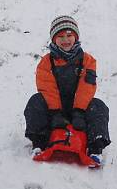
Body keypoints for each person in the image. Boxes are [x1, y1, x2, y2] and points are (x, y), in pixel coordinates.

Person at [23, 15, 111, 164]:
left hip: (79, 110)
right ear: (54, 39)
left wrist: (79, 111)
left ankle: (95, 149)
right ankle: (39, 144)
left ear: (75, 37)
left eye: (69, 35)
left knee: (98, 106)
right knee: (35, 101)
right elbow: (47, 89)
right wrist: (55, 112)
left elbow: (86, 87)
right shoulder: (46, 62)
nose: (65, 40)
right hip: (54, 111)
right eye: (61, 36)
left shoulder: (87, 60)